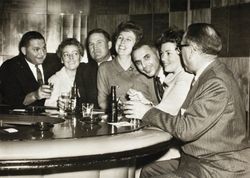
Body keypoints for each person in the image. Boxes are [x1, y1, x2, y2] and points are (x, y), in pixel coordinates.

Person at [125, 23, 250, 178]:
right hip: (199, 159)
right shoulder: (210, 74)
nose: (179, 52)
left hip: (218, 166)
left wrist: (147, 112)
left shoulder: (215, 82)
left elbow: (186, 130)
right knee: (148, 170)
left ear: (191, 50)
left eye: (180, 47)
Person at [97, 21, 158, 110]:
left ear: (136, 44)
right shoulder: (104, 68)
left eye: (128, 39)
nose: (122, 42)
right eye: (120, 37)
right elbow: (102, 102)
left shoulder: (145, 67)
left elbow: (158, 102)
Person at [0, 31, 62, 107]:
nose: (42, 53)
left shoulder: (55, 61)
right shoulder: (10, 67)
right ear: (24, 51)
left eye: (44, 48)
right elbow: (11, 101)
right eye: (36, 49)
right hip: (22, 116)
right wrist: (35, 95)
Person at [45, 38, 98, 108]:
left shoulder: (88, 73)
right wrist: (58, 105)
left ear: (81, 57)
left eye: (75, 53)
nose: (71, 57)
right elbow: (48, 107)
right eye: (66, 54)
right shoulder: (54, 79)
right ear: (61, 59)